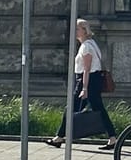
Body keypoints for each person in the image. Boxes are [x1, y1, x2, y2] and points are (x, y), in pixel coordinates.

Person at [47, 19, 116, 148]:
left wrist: (84, 88)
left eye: (77, 29)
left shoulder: (87, 47)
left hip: (87, 81)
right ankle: (112, 138)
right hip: (92, 80)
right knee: (99, 109)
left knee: (71, 107)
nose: (75, 32)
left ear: (84, 31)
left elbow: (87, 69)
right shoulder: (91, 44)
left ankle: (59, 137)